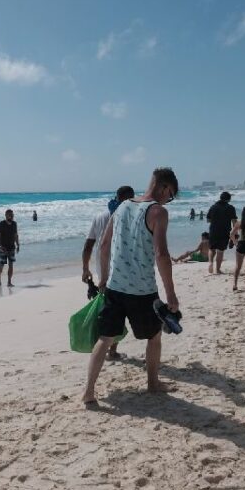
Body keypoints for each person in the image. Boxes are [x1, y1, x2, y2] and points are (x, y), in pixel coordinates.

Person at [81, 168, 180, 408]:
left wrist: (104, 278)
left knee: (105, 338)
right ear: (165, 188)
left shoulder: (123, 206)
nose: (169, 200)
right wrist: (171, 295)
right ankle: (152, 383)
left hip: (115, 287)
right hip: (143, 290)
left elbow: (103, 245)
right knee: (154, 336)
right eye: (172, 195)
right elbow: (162, 254)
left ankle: (88, 392)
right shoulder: (158, 212)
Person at [82, 187, 135, 359]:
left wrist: (85, 268)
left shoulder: (100, 217)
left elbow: (89, 245)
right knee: (118, 312)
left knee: (110, 311)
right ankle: (111, 350)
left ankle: (105, 348)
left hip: (103, 272)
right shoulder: (131, 216)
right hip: (123, 272)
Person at [206, 192, 237, 275]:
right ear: (228, 199)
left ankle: (210, 263)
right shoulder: (231, 208)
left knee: (211, 249)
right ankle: (218, 269)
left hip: (213, 230)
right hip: (225, 231)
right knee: (220, 251)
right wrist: (235, 233)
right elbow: (234, 221)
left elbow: (208, 220)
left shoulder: (213, 207)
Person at [0, 209, 19, 286]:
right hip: (3, 248)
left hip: (12, 247)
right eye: (10, 215)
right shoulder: (1, 224)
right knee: (2, 264)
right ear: (6, 215)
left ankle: (9, 282)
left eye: (12, 215)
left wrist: (18, 244)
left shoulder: (14, 224)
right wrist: (0, 246)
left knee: (11, 265)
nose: (11, 216)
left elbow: (16, 235)